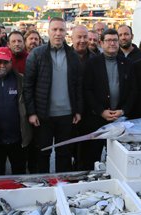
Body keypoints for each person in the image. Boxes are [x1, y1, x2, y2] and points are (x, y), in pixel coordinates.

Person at [24, 17, 82, 173]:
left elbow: (78, 85)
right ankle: (44, 186)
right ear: (48, 32)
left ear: (66, 33)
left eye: (61, 30)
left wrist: (78, 110)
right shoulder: (37, 55)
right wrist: (31, 112)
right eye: (54, 30)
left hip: (67, 115)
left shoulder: (73, 56)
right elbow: (28, 86)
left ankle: (62, 184)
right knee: (43, 153)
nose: (58, 33)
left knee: (64, 153)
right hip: (44, 116)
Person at [78, 29, 131, 170]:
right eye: (108, 40)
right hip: (96, 118)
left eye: (115, 40)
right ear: (101, 43)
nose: (112, 43)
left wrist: (123, 110)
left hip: (119, 119)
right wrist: (100, 111)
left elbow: (134, 90)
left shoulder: (127, 64)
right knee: (90, 157)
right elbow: (87, 90)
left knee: (116, 158)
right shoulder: (92, 63)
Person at [0, 47, 31, 175]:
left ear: (11, 63)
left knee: (19, 175)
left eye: (6, 62)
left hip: (17, 139)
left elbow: (28, 103)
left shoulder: (20, 80)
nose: (2, 65)